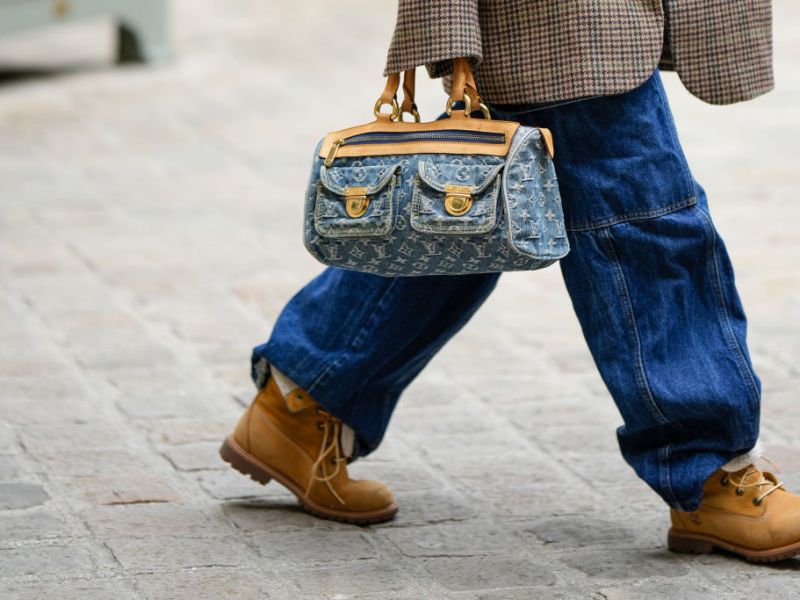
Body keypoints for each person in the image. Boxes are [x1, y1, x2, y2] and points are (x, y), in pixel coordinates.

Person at [220, 1, 800, 561]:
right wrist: (443, 24)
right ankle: (708, 472)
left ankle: (302, 402)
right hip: (563, 20)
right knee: (646, 230)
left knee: (463, 223)